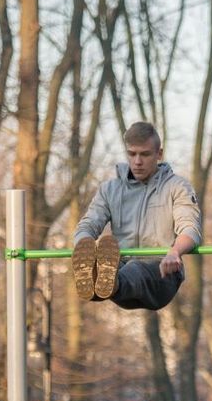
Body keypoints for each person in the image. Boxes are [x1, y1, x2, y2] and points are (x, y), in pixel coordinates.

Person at [72, 121, 202, 311]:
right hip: (123, 276)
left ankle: (108, 282)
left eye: (145, 154)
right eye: (132, 154)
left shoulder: (177, 187)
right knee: (124, 267)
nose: (137, 161)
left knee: (135, 269)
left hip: (162, 275)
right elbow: (87, 225)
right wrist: (84, 246)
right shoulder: (110, 189)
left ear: (159, 154)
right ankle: (98, 282)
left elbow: (190, 228)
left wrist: (175, 252)